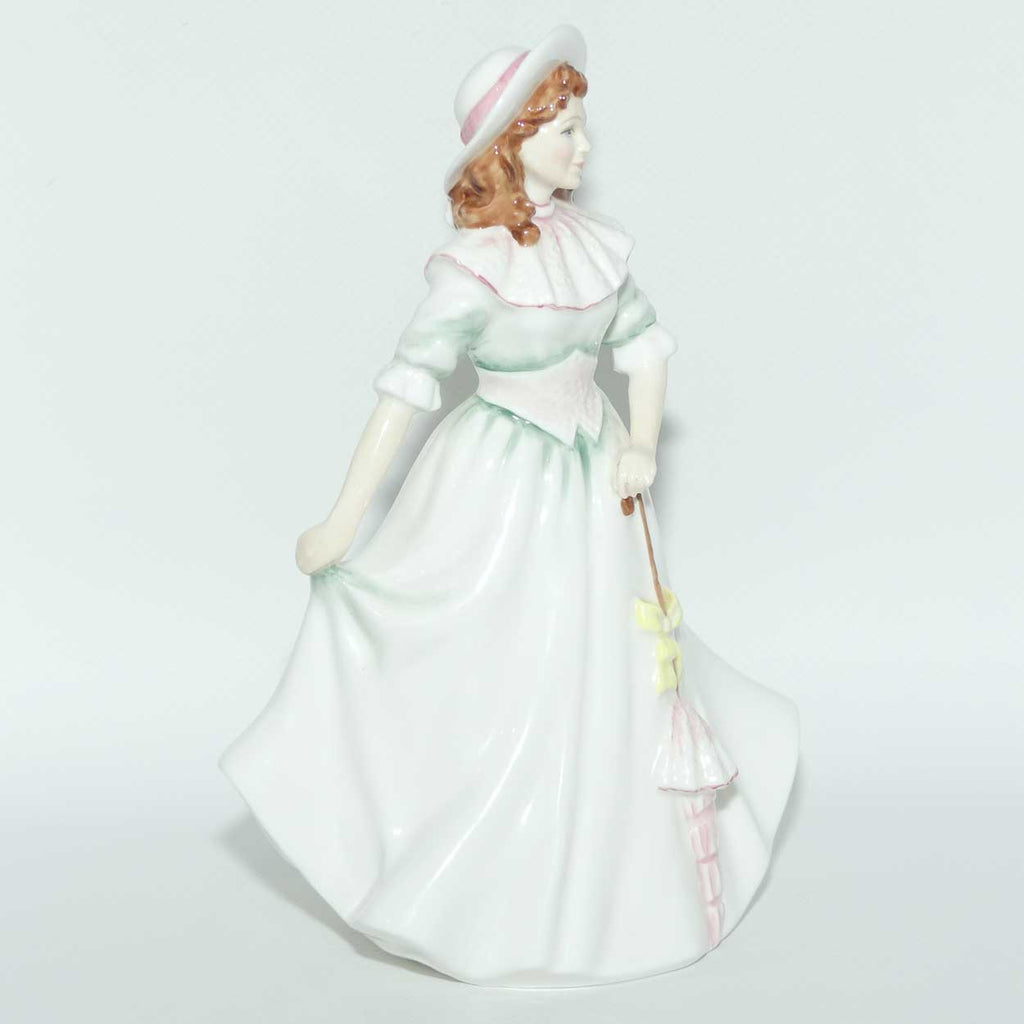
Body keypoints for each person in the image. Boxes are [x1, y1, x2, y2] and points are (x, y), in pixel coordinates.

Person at [220, 24, 799, 988]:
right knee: (505, 657)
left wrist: (641, 442)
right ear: (514, 143)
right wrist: (344, 520)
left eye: (581, 127)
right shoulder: (471, 271)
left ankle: (610, 875)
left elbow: (645, 348)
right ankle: (490, 869)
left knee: (603, 662)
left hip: (595, 478)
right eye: (565, 129)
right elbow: (405, 392)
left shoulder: (595, 249)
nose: (584, 147)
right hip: (497, 480)